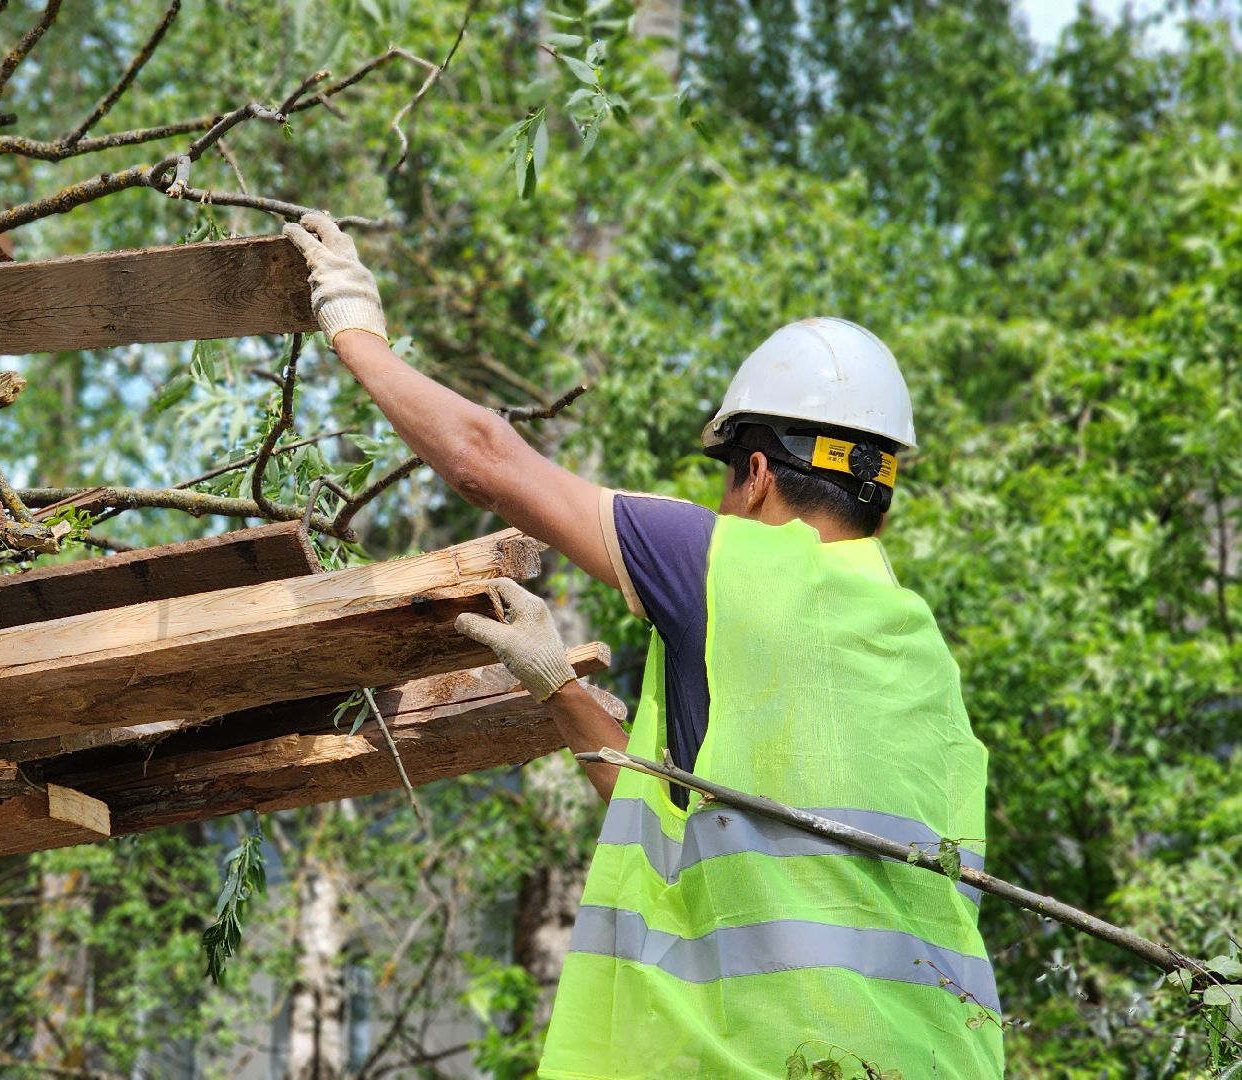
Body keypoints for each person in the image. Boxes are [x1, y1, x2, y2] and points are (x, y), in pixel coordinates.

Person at [282, 213, 1003, 1078]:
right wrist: (557, 687)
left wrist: (354, 328)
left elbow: (486, 459)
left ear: (759, 472)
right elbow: (682, 823)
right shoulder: (919, 653)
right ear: (879, 498)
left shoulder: (723, 562)